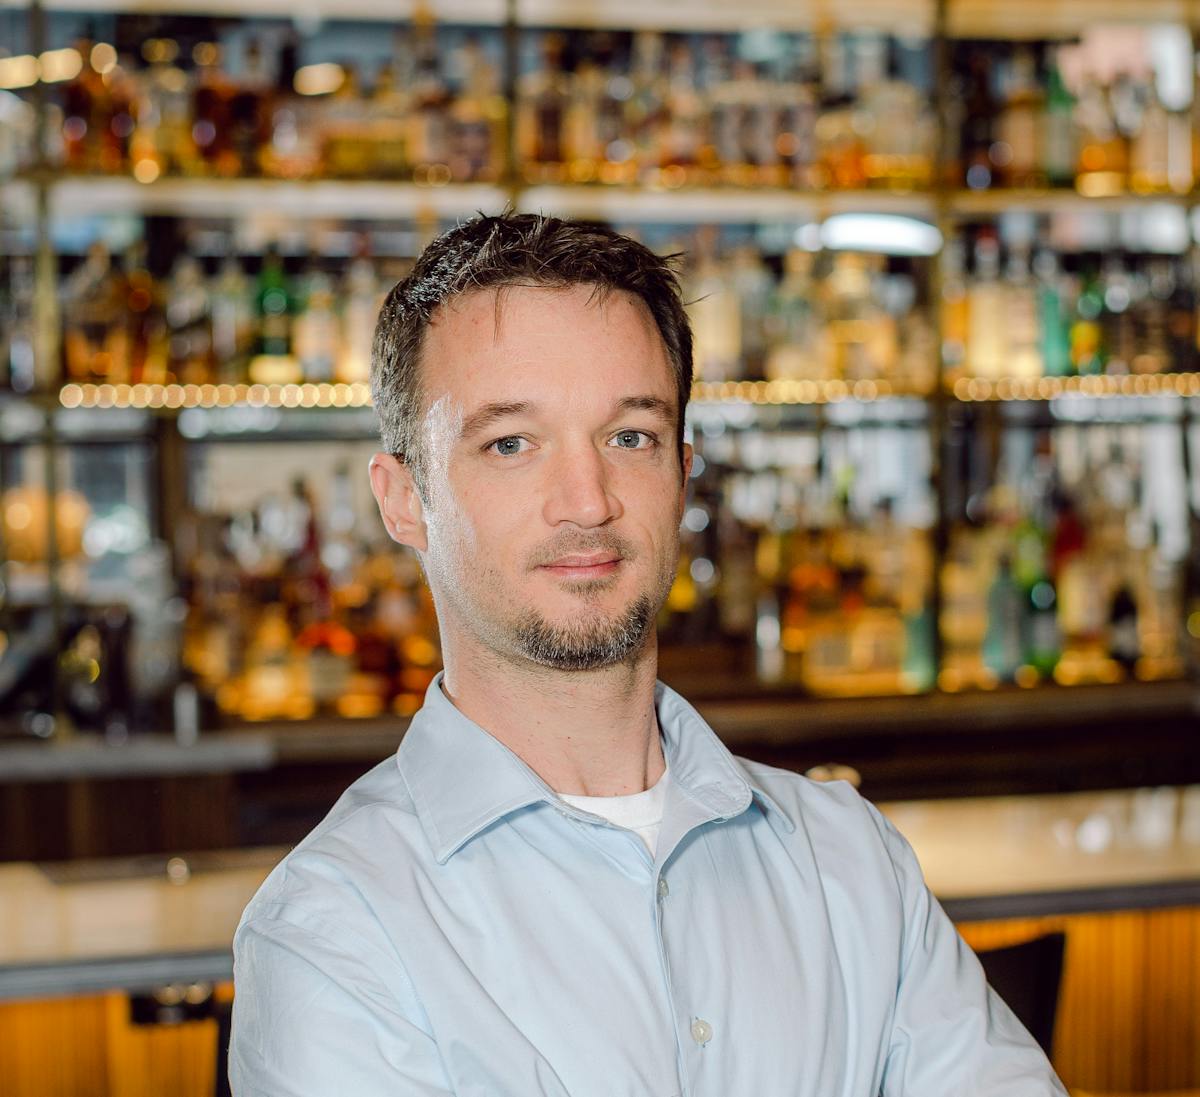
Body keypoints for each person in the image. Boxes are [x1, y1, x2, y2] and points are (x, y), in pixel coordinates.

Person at [229, 212, 1067, 1096]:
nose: (587, 501)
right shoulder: (332, 930)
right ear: (403, 501)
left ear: (681, 473)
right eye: (511, 443)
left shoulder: (851, 862)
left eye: (630, 436)